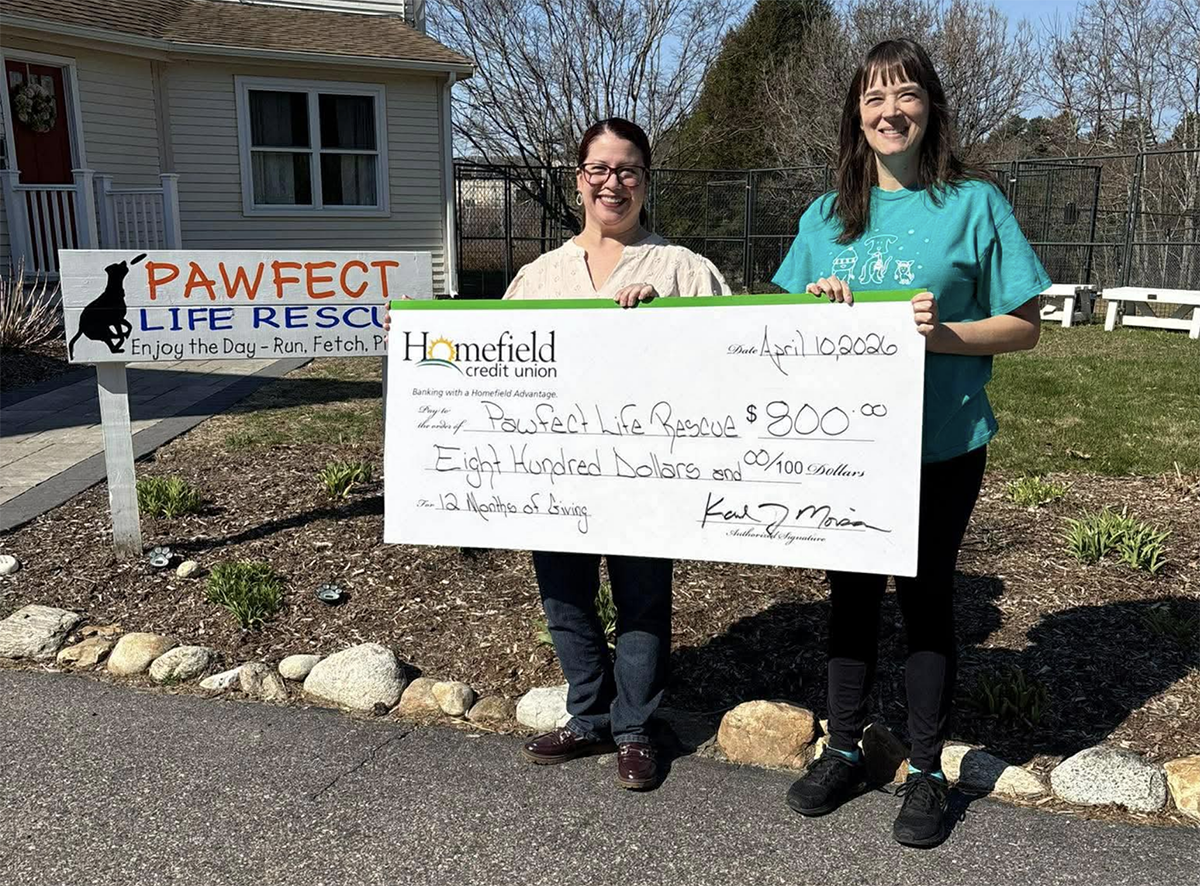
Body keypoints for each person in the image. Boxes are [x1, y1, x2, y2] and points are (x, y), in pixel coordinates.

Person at [771, 39, 1047, 847]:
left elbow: (1025, 326)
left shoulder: (973, 204)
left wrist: (940, 334)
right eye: (874, 98)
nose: (890, 112)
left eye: (906, 95)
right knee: (851, 596)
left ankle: (926, 771)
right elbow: (779, 328)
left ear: (931, 107)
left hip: (941, 443)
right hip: (846, 447)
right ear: (856, 117)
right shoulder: (825, 216)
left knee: (926, 598)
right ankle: (844, 749)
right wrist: (815, 308)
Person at [509, 118, 729, 790]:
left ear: (646, 180)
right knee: (564, 598)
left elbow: (733, 359)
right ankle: (589, 714)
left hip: (647, 471)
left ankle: (634, 728)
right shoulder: (539, 276)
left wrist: (666, 322)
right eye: (599, 169)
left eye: (628, 169)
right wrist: (418, 333)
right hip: (556, 471)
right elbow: (495, 364)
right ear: (578, 179)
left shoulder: (683, 269)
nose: (613, 182)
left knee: (642, 599)